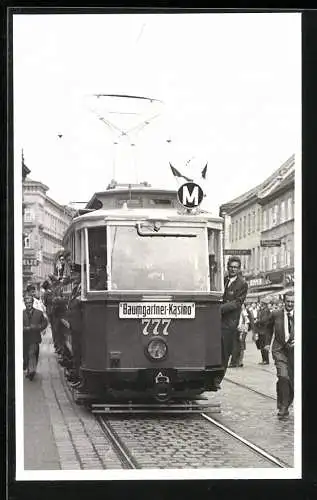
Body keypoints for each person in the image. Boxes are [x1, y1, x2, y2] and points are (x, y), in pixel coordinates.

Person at [216, 256, 248, 385]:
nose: (233, 269)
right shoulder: (223, 280)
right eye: (231, 267)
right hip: (216, 321)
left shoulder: (242, 284)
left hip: (229, 323)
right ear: (227, 267)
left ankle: (218, 378)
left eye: (235, 267)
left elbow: (237, 303)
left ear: (239, 269)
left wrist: (219, 309)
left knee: (225, 351)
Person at [271, 291, 295, 419]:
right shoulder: (276, 314)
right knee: (283, 376)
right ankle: (283, 406)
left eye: (293, 301)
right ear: (284, 301)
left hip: (296, 352)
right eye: (288, 301)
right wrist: (264, 343)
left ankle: (286, 401)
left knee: (293, 380)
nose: (290, 304)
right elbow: (268, 328)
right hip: (279, 350)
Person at [65, 263, 83, 387]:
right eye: (73, 274)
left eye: (75, 274)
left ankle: (80, 377)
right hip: (74, 326)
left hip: (80, 326)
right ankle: (77, 375)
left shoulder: (83, 289)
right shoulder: (76, 288)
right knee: (76, 351)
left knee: (79, 352)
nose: (73, 277)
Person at [23, 295, 48, 380]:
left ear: (32, 303)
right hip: (25, 338)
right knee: (26, 355)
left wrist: (37, 327)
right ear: (25, 304)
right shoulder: (21, 313)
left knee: (32, 353)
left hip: (34, 337)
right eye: (26, 303)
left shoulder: (39, 313)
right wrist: (23, 328)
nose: (28, 304)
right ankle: (30, 369)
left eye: (30, 303)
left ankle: (31, 371)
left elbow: (45, 323)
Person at [252, 298, 274, 365]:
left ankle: (266, 360)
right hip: (261, 331)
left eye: (261, 303)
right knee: (262, 346)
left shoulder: (266, 311)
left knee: (264, 346)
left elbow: (264, 320)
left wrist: (257, 321)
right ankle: (264, 359)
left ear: (264, 304)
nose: (260, 304)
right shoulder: (262, 310)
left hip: (264, 331)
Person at [229, 303, 250, 367]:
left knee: (239, 346)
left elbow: (245, 322)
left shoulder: (243, 312)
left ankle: (238, 362)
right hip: (240, 330)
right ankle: (238, 361)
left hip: (241, 331)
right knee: (240, 346)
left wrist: (241, 332)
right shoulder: (242, 312)